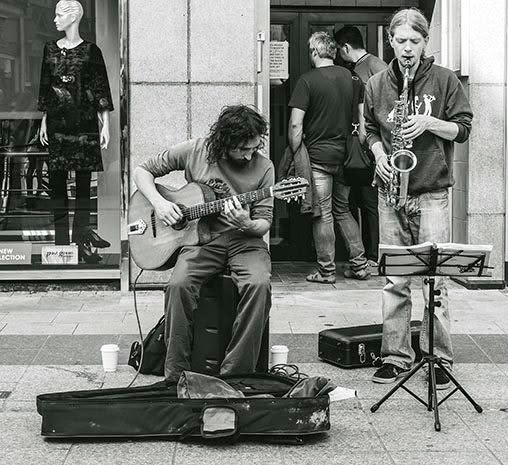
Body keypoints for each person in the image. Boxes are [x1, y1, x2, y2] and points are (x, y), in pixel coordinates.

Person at [364, 8, 473, 387]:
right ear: (389, 41)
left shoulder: (445, 80)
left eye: (414, 41)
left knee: (436, 279)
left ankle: (438, 357)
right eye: (400, 41)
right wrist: (379, 155)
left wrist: (428, 122)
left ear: (425, 42)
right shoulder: (377, 83)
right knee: (395, 280)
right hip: (390, 193)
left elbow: (463, 129)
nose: (407, 49)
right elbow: (368, 131)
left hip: (431, 192)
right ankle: (395, 356)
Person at [134, 105, 273, 382]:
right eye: (243, 149)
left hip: (245, 241)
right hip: (199, 241)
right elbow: (142, 171)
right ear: (224, 142)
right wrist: (160, 204)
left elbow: (264, 222)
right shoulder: (196, 150)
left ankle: (236, 374)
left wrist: (246, 223)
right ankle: (176, 374)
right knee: (177, 285)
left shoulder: (264, 167)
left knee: (258, 285)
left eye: (254, 147)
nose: (249, 155)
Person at [288, 31, 369, 284]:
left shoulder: (307, 81)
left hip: (318, 158)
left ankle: (326, 271)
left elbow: (295, 126)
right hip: (345, 158)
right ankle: (360, 265)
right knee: (343, 210)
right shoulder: (353, 78)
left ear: (314, 52)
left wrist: (295, 153)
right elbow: (363, 122)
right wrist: (358, 148)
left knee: (323, 213)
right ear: (333, 52)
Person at [38, 0, 113, 262]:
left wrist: (106, 124)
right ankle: (60, 247)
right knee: (57, 186)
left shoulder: (92, 52)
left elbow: (100, 86)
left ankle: (81, 243)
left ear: (73, 18)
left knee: (83, 187)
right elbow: (46, 86)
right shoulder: (49, 50)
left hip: (84, 127)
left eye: (59, 15)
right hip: (58, 126)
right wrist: (44, 120)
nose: (55, 20)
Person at [334, 26, 388, 266]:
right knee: (360, 203)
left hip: (370, 146)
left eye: (339, 50)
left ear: (345, 47)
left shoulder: (371, 68)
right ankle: (366, 253)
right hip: (364, 145)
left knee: (368, 203)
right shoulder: (374, 65)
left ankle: (374, 254)